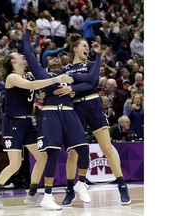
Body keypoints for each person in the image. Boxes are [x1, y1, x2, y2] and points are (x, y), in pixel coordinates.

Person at [0, 51, 73, 209]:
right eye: (18, 55)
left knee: (42, 157)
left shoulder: (29, 75)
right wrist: (56, 78)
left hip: (28, 122)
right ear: (13, 61)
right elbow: (31, 86)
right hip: (12, 123)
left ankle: (32, 193)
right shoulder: (12, 77)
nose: (22, 56)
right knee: (15, 164)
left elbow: (35, 88)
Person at [54, 33, 131, 206]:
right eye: (84, 46)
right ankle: (69, 189)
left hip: (94, 105)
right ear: (75, 49)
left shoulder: (91, 63)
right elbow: (86, 82)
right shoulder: (65, 69)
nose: (87, 48)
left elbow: (92, 81)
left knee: (106, 147)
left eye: (88, 47)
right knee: (73, 152)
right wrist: (80, 82)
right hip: (76, 108)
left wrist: (73, 85)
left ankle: (122, 186)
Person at [23, 21, 93, 210]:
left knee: (84, 148)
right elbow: (28, 53)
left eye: (58, 59)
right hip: (50, 114)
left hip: (70, 114)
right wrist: (28, 32)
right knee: (52, 153)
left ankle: (81, 182)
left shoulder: (69, 74)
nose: (56, 59)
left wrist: (72, 88)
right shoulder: (42, 75)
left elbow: (90, 83)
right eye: (51, 59)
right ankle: (47, 195)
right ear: (46, 62)